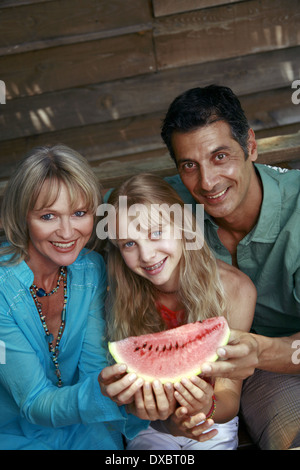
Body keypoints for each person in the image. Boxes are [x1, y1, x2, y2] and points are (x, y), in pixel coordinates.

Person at [160, 84, 300, 450]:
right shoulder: (167, 210)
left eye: (220, 156)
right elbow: (94, 215)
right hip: (252, 379)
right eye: (189, 165)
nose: (206, 182)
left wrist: (262, 349)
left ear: (251, 146)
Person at [0, 144, 152, 450]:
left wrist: (129, 392)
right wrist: (109, 393)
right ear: (22, 217)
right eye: (48, 216)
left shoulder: (90, 270)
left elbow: (94, 368)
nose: (68, 232)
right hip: (12, 429)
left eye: (79, 213)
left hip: (84, 425)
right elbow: (32, 402)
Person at [104, 173, 256, 450]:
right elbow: (126, 405)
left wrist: (207, 406)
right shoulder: (115, 295)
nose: (147, 255)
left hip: (214, 421)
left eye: (156, 233)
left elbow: (229, 397)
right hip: (148, 426)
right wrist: (166, 423)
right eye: (129, 243)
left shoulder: (235, 290)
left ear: (183, 226)